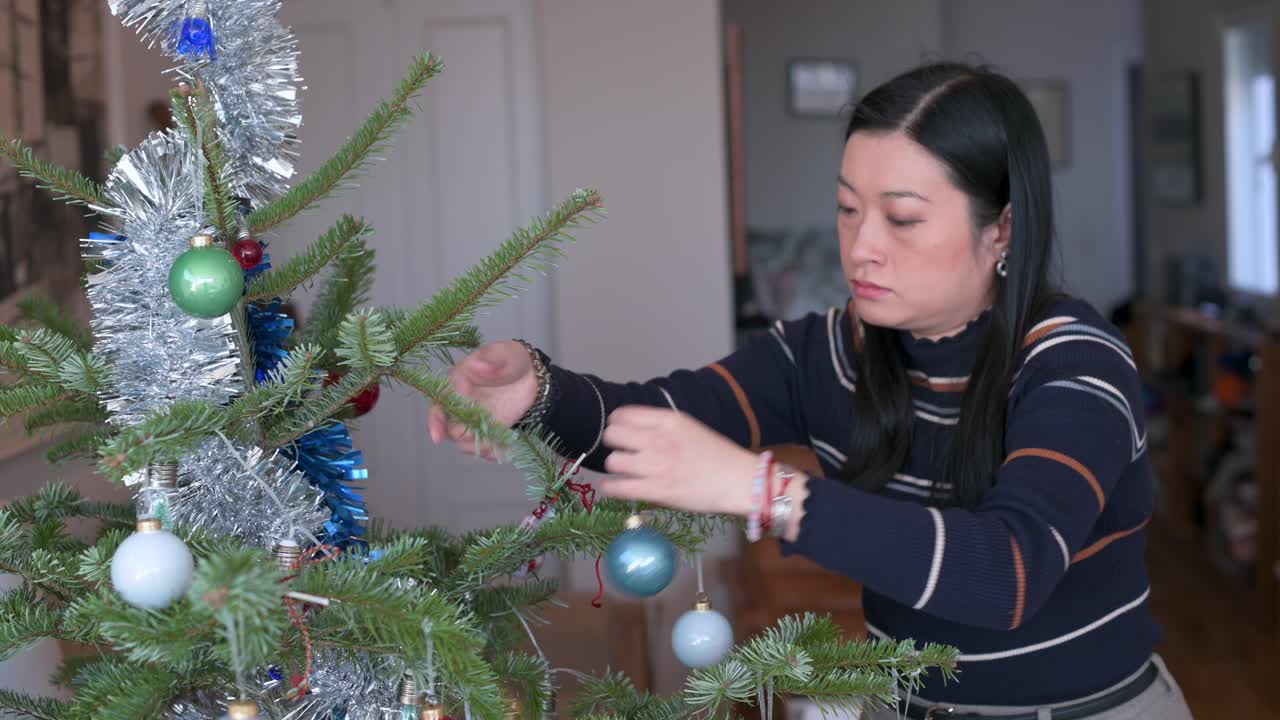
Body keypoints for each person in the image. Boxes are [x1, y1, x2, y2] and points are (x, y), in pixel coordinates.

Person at [428, 61, 1194, 719]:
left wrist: (766, 491)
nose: (861, 248)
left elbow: (1010, 573)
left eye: (902, 219)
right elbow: (658, 420)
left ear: (1002, 231)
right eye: (848, 209)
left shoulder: (1074, 364)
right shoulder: (827, 352)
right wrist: (535, 392)